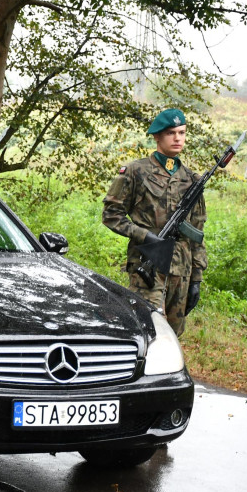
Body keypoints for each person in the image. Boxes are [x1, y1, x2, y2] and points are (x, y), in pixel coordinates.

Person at [102, 108, 206, 337]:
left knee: (174, 334)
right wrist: (145, 236)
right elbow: (111, 215)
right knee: (147, 328)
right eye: (171, 133)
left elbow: (197, 231)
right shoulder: (134, 172)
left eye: (182, 132)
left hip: (182, 270)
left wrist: (196, 278)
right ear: (157, 137)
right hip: (147, 265)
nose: (178, 138)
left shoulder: (192, 179)